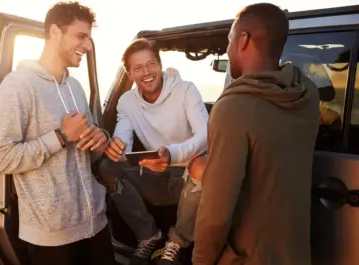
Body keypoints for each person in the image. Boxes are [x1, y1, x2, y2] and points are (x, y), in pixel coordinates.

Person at [0, 2, 116, 265]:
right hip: (51, 238)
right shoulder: (18, 85)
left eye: (89, 39)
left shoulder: (76, 87)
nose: (88, 47)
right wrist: (59, 137)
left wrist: (100, 140)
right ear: (55, 32)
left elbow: (87, 154)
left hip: (95, 225)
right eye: (81, 37)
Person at [192, 3, 319, 265]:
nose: (227, 50)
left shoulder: (233, 108)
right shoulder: (307, 94)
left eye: (229, 41)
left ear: (243, 40)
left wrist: (201, 260)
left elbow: (216, 212)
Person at [99, 38, 209, 265]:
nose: (146, 72)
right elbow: (124, 138)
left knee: (201, 166)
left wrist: (171, 154)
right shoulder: (127, 101)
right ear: (129, 74)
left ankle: (177, 241)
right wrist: (116, 147)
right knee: (107, 167)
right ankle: (148, 234)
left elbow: (205, 136)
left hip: (188, 180)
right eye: (138, 68)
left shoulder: (186, 90)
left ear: (159, 65)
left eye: (150, 64)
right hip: (153, 175)